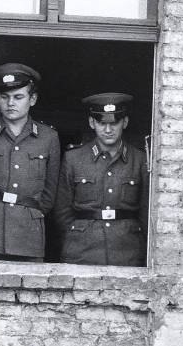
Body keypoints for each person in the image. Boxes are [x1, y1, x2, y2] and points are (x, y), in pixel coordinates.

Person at [0, 63, 60, 261]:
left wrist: (27, 215)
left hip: (28, 239)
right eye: (5, 97)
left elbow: (49, 196)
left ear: (33, 99)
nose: (11, 103)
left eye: (18, 97)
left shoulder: (49, 137)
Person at [53, 93, 148, 266]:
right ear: (92, 123)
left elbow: (145, 212)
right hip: (83, 251)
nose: (108, 129)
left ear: (125, 122)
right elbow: (62, 211)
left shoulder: (140, 159)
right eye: (102, 123)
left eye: (114, 123)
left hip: (127, 250)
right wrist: (77, 237)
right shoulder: (74, 158)